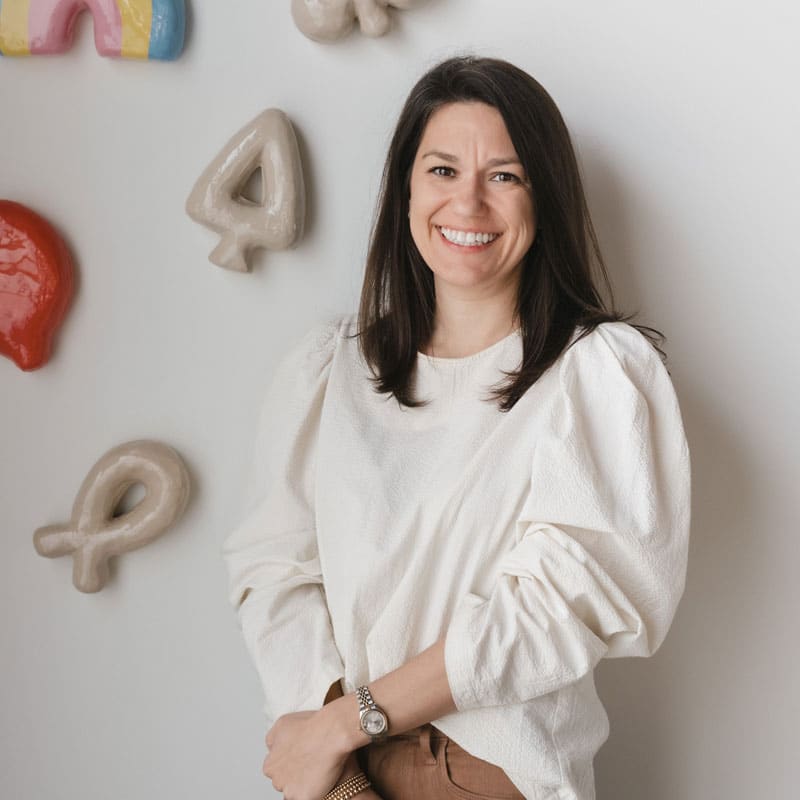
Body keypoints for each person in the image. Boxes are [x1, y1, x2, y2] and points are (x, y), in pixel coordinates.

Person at [223, 55, 690, 800]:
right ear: (406, 188)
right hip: (331, 765)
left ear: (545, 199)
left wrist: (353, 722)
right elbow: (273, 565)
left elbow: (561, 605)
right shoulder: (329, 370)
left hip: (479, 769)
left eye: (504, 176)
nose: (468, 203)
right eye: (443, 170)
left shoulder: (593, 375)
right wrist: (333, 754)